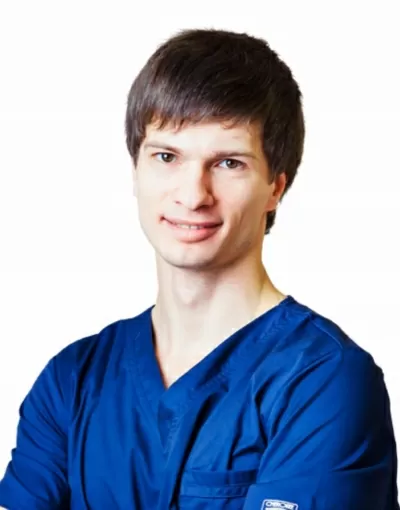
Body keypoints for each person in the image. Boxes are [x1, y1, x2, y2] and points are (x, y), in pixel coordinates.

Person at [0, 27, 398, 510]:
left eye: (229, 163)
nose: (192, 195)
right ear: (135, 170)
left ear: (276, 187)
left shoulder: (323, 382)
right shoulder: (73, 381)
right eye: (166, 156)